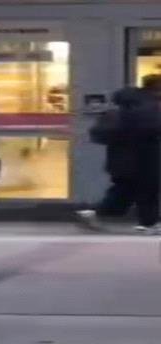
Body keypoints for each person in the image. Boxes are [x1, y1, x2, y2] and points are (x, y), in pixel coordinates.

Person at [77, 75, 161, 234]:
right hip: (144, 158)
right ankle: (148, 224)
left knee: (124, 193)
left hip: (120, 159)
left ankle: (93, 213)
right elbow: (152, 129)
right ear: (156, 88)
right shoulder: (148, 108)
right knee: (147, 191)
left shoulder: (121, 109)